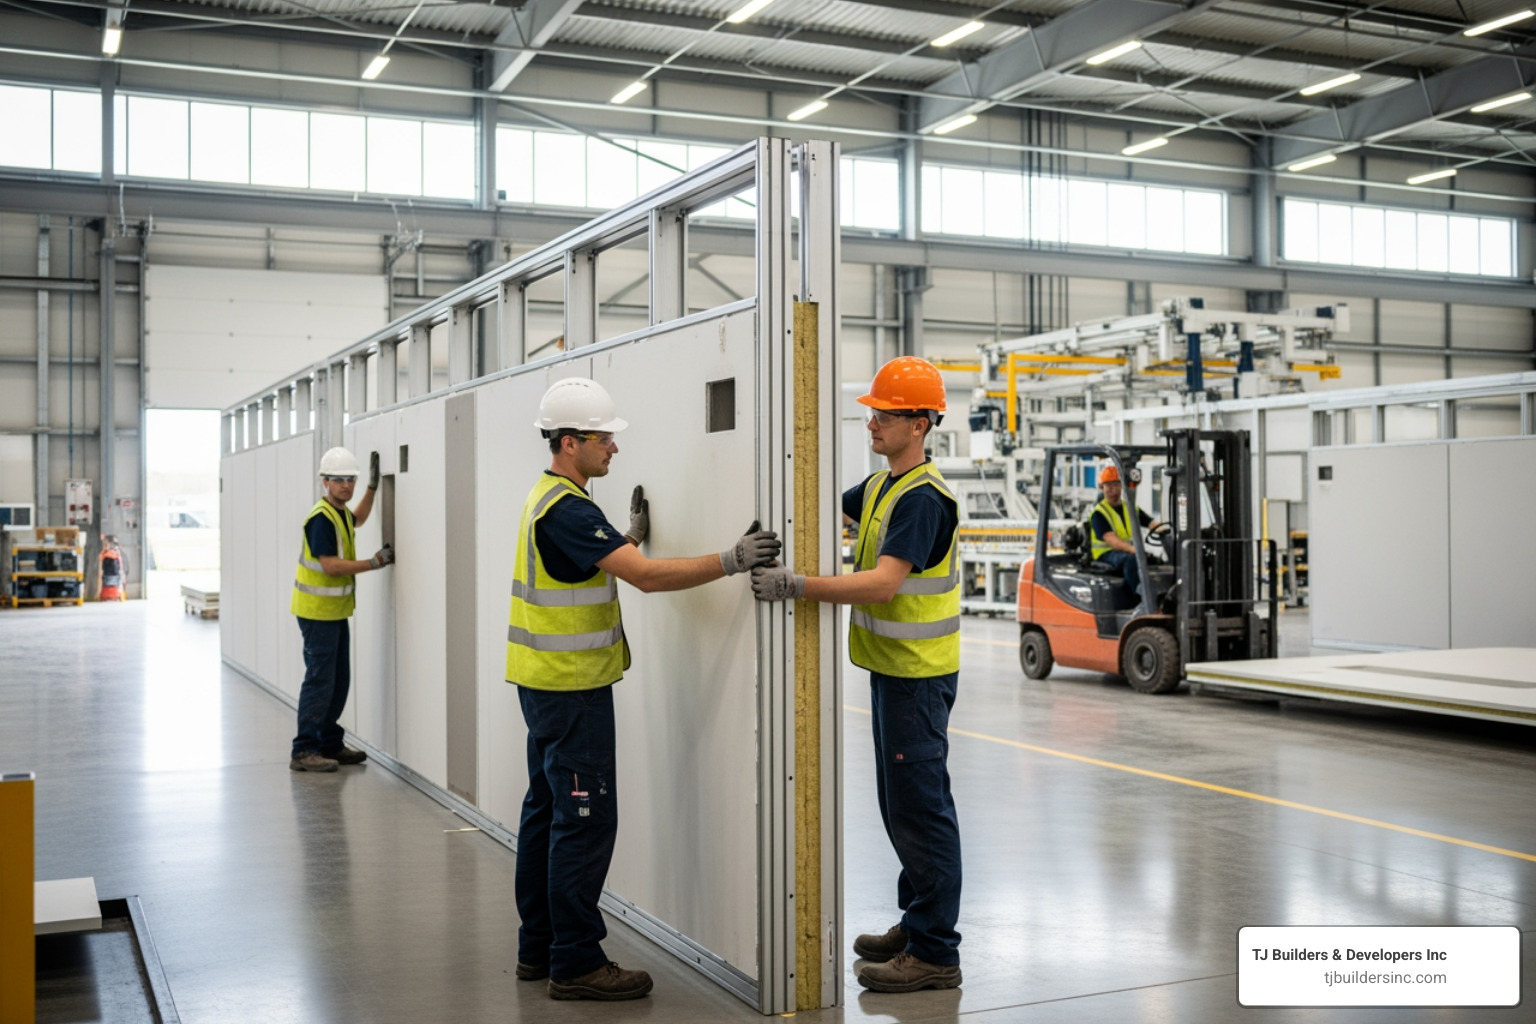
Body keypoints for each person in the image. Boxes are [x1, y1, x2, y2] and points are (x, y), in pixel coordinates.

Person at [509, 376, 780, 1002]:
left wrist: (626, 536)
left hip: (546, 685)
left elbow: (590, 560)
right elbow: (648, 581)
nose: (614, 449)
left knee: (547, 812)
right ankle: (574, 961)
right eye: (605, 439)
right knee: (583, 818)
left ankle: (539, 946)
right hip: (571, 690)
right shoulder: (570, 509)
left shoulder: (549, 498)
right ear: (570, 442)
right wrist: (731, 559)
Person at [751, 356, 963, 994]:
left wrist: (797, 586)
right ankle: (918, 917)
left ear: (920, 425)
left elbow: (881, 585)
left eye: (886, 413)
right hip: (890, 672)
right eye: (872, 409)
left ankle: (935, 952)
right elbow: (812, 504)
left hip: (918, 679)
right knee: (899, 804)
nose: (871, 421)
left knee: (922, 810)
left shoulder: (924, 499)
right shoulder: (879, 489)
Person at [289, 446, 393, 773]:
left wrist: (373, 487)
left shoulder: (339, 514)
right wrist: (373, 563)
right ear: (325, 482)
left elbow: (358, 518)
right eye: (339, 480)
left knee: (338, 681)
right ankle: (304, 750)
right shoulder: (320, 519)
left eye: (350, 480)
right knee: (320, 681)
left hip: (333, 613)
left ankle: (330, 743)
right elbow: (332, 566)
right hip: (317, 613)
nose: (346, 485)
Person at [1090, 461, 1161, 596]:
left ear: (1121, 486)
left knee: (1154, 560)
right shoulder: (1099, 513)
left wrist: (1167, 531)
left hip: (1126, 552)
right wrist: (1135, 550)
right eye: (1108, 485)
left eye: (1115, 484)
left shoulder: (1130, 508)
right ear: (1101, 487)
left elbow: (1151, 523)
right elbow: (1111, 539)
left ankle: (1158, 596)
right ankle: (1139, 598)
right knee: (1132, 560)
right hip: (1106, 554)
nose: (1111, 488)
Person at [99, 535, 126, 601]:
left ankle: (118, 595)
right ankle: (118, 595)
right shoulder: (108, 553)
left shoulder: (113, 553)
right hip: (112, 575)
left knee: (119, 581)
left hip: (113, 574)